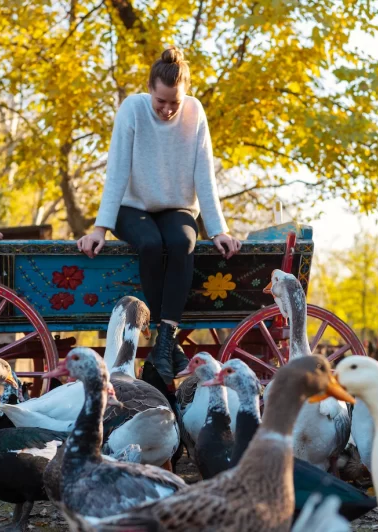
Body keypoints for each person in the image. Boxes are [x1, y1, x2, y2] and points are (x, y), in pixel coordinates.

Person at [76, 46, 241, 408]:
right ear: (149, 89)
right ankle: (169, 350)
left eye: (173, 103)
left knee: (183, 242)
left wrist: (218, 230)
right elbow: (116, 170)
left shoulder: (195, 113)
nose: (167, 109)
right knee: (151, 245)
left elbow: (204, 174)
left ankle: (165, 341)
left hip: (177, 207)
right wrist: (100, 228)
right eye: (161, 101)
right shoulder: (133, 109)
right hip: (130, 208)